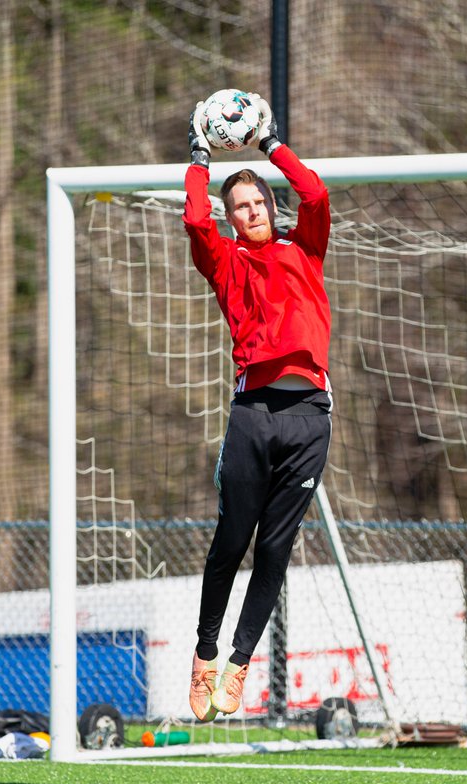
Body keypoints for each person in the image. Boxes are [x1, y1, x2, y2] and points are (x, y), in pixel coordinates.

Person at [182, 94, 332, 722]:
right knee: (231, 541)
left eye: (258, 201)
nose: (249, 211)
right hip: (252, 415)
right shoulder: (225, 261)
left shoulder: (306, 248)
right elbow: (194, 223)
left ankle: (240, 665)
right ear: (232, 218)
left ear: (272, 205)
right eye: (238, 207)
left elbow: (316, 194)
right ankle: (205, 654)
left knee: (275, 548)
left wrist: (270, 144)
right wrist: (200, 158)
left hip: (307, 418)